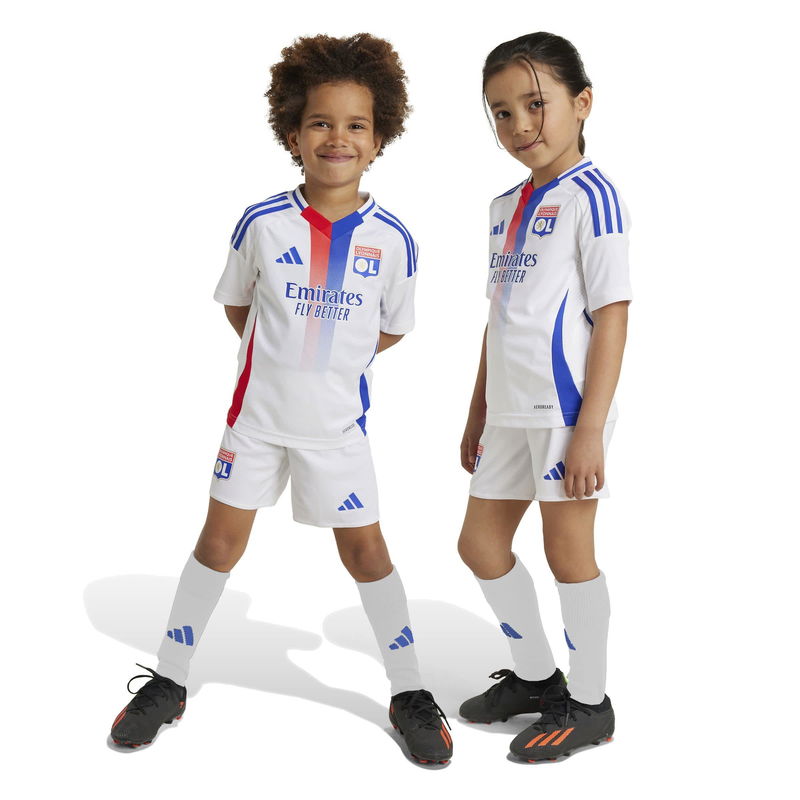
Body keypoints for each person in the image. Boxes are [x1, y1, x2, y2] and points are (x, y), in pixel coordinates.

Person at [109, 33, 452, 765]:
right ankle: (169, 679)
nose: (338, 138)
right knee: (218, 543)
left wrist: (332, 362)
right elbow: (241, 306)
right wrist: (283, 358)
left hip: (338, 430)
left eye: (356, 125)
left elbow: (391, 327)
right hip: (257, 424)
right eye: (320, 123)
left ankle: (410, 689)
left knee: (367, 552)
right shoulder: (261, 222)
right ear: (293, 133)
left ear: (380, 138)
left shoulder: (394, 240)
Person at [457, 31, 632, 763]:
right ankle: (536, 678)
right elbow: (500, 315)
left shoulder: (594, 196)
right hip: (508, 410)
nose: (520, 124)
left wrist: (589, 430)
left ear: (581, 102)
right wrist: (477, 409)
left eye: (536, 104)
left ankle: (589, 704)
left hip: (565, 410)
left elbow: (613, 314)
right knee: (479, 545)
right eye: (501, 112)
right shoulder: (503, 206)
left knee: (567, 553)